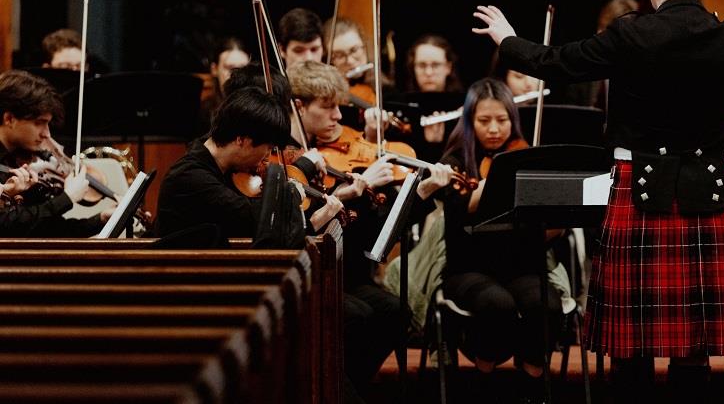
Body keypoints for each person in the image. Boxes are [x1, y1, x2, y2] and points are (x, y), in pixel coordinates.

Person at [472, 0, 724, 402]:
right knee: (695, 345)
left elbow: (555, 63)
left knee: (629, 345)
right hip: (708, 193)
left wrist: (508, 39)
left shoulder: (629, 33)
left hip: (640, 191)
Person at [418, 78, 562, 401]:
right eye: (484, 121)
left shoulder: (526, 156)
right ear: (469, 122)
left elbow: (549, 235)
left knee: (546, 306)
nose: (495, 129)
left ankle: (531, 388)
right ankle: (484, 385)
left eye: (502, 120)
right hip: (468, 271)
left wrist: (557, 218)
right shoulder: (456, 163)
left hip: (522, 268)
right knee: (497, 306)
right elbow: (459, 211)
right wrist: (497, 179)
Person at [285, 60, 403, 397]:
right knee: (359, 315)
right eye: (328, 107)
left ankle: (347, 382)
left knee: (394, 312)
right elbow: (299, 223)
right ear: (299, 106)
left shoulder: (316, 154)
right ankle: (333, 386)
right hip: (301, 276)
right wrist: (343, 194)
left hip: (337, 270)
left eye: (339, 105)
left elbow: (358, 238)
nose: (338, 116)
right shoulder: (287, 158)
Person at [156, 86, 341, 242]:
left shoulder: (220, 165)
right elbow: (256, 219)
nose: (268, 157)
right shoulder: (189, 177)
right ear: (241, 140)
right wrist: (292, 194)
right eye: (268, 148)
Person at [0, 70, 109, 237]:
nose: (47, 134)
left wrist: (99, 220)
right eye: (39, 123)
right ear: (9, 119)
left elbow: (43, 229)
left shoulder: (20, 161)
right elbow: (8, 226)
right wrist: (67, 197)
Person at [404, 34, 464, 162]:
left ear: (448, 67)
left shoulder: (463, 105)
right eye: (421, 65)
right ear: (413, 67)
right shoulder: (404, 106)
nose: (429, 72)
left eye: (435, 65)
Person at [196, 38, 251, 138]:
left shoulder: (258, 110)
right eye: (230, 68)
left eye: (243, 69)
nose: (236, 74)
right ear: (215, 69)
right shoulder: (202, 112)